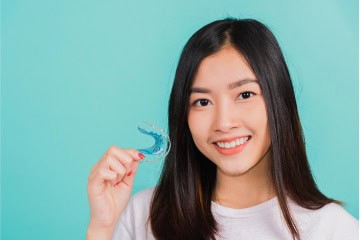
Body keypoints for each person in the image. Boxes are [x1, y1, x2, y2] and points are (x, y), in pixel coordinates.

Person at [86, 18, 358, 240]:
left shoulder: (334, 230)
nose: (224, 123)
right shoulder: (144, 214)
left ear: (279, 101)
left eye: (245, 95)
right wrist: (102, 226)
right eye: (202, 102)